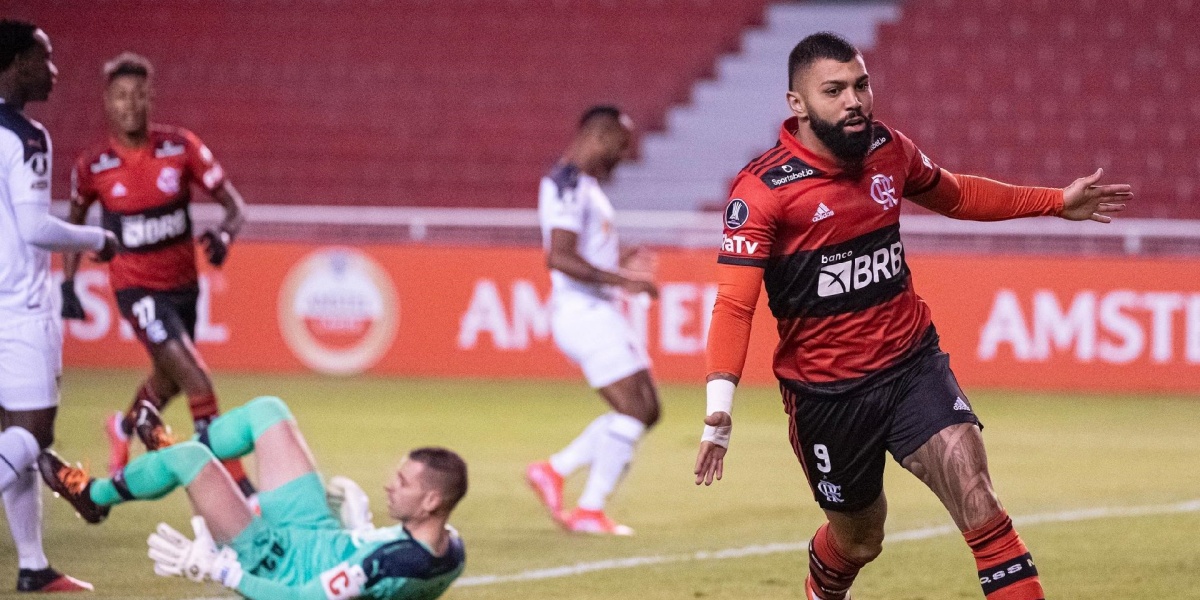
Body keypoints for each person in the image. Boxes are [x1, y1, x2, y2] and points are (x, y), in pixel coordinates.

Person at [692, 32, 1131, 600]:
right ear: (797, 105)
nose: (854, 100)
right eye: (834, 90)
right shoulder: (762, 193)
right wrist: (718, 414)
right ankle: (822, 589)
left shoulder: (888, 150)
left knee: (981, 505)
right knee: (859, 539)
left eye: (861, 85)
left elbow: (957, 194)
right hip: (828, 395)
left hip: (911, 366)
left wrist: (1052, 201)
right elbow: (734, 305)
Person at [38, 395, 467, 599]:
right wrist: (361, 533)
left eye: (403, 482)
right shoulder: (452, 547)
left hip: (276, 559)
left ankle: (92, 496)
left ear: (431, 502)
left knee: (188, 461)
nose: (389, 484)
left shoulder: (388, 563)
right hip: (316, 530)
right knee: (269, 413)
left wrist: (221, 571)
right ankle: (169, 454)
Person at [61, 52, 254, 496]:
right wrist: (68, 283)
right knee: (196, 380)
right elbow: (74, 224)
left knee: (166, 381)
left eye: (139, 95)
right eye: (121, 96)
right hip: (136, 288)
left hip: (184, 286)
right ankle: (239, 489)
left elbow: (235, 207)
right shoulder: (93, 166)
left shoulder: (181, 147)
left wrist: (224, 236)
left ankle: (122, 426)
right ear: (107, 102)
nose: (130, 105)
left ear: (151, 99)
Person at [0, 19, 118, 593]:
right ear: (16, 63)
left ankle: (32, 565)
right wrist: (99, 238)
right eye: (43, 58)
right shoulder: (24, 136)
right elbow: (35, 228)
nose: (53, 69)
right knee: (34, 433)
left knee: (12, 437)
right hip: (17, 308)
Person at [525, 105, 660, 535]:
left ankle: (557, 471)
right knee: (635, 409)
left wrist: (620, 258)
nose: (624, 156)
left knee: (646, 409)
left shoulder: (584, 186)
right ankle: (586, 506)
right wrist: (624, 279)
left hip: (597, 310)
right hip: (584, 314)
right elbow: (559, 257)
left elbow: (584, 251)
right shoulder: (565, 185)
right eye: (621, 147)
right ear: (599, 138)